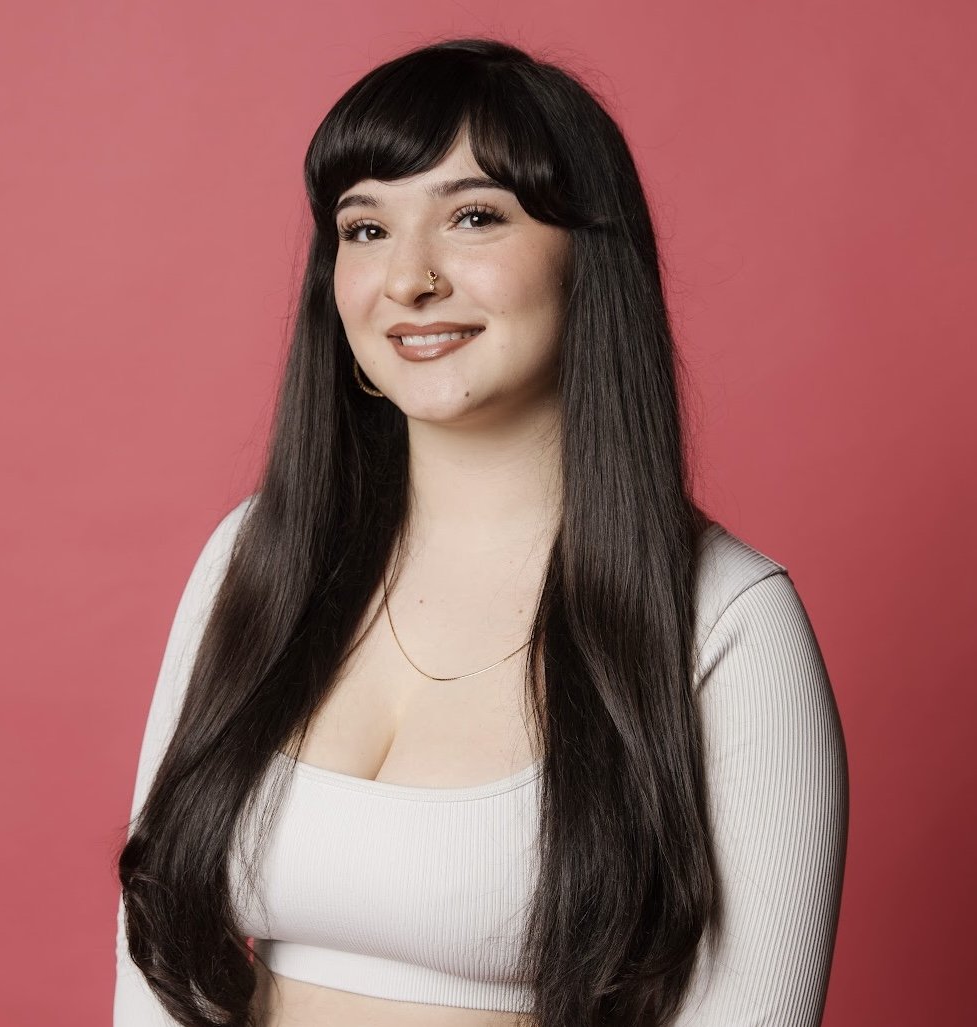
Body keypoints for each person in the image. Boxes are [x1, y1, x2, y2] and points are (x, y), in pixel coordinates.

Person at [114, 36, 849, 1027]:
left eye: (472, 216)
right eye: (365, 228)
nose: (407, 278)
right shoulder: (256, 559)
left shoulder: (726, 620)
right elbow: (154, 969)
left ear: (586, 259)